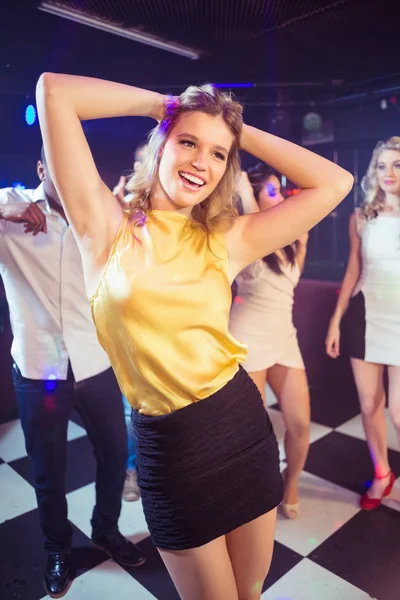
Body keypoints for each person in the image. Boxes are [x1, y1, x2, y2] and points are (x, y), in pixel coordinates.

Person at [36, 72, 353, 600]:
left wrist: (236, 129)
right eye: (187, 142)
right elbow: (54, 92)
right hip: (169, 448)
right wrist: (168, 105)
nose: (200, 163)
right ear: (161, 143)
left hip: (239, 427)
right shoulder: (104, 225)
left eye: (217, 155)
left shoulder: (227, 238)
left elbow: (336, 183)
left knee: (249, 592)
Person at [0, 151, 145, 599]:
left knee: (115, 451)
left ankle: (106, 529)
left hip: (95, 361)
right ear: (42, 169)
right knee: (48, 469)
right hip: (40, 366)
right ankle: (57, 547)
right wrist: (7, 205)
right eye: (57, 167)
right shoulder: (12, 214)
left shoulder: (97, 219)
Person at [229, 164, 310, 519]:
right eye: (273, 191)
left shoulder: (292, 239)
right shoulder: (244, 233)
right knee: (253, 434)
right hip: (248, 340)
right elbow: (253, 231)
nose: (281, 197)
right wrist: (245, 194)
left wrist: (301, 239)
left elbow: (288, 286)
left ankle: (289, 481)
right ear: (255, 198)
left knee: (301, 423)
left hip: (284, 338)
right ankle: (253, 497)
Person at [325, 136, 400, 511]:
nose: (388, 173)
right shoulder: (362, 217)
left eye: (397, 165)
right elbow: (353, 270)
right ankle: (382, 473)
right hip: (365, 316)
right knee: (370, 403)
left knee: (399, 412)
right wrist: (336, 320)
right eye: (382, 165)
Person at [112, 144, 149, 503]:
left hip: (169, 331)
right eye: (139, 160)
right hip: (130, 330)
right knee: (130, 411)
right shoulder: (121, 211)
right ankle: (131, 470)